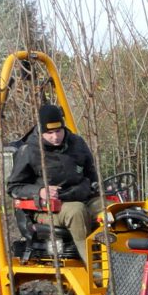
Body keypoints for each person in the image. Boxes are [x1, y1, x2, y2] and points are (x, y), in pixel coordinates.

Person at [7, 104, 102, 267]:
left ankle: (126, 266)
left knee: (112, 208)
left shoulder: (77, 143)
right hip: (48, 209)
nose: (55, 137)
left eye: (58, 131)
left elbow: (91, 172)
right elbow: (14, 187)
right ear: (41, 131)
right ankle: (96, 271)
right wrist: (40, 191)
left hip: (81, 196)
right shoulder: (29, 151)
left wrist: (95, 186)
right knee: (76, 212)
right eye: (49, 133)